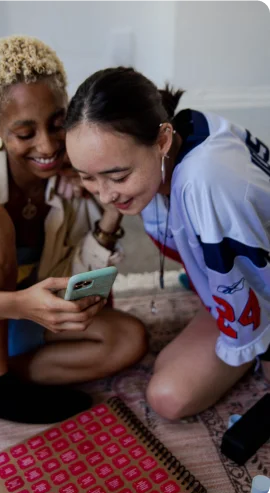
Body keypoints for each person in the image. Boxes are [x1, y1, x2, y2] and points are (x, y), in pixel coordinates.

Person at [0, 41, 146, 424]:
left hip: (21, 329)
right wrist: (18, 304)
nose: (48, 146)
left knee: (129, 339)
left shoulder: (78, 172)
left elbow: (68, 281)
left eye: (58, 124)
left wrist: (107, 212)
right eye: (25, 133)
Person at [65, 66, 270, 420]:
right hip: (239, 276)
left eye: (117, 176)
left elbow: (248, 283)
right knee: (166, 365)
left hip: (259, 290)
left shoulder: (205, 182)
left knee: (168, 397)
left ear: (161, 140)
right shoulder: (179, 130)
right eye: (88, 178)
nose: (106, 194)